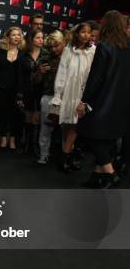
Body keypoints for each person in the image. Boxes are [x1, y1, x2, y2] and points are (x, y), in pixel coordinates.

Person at [77, 10, 130, 188]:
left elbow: (96, 78)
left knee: (88, 134)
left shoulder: (104, 47)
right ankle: (97, 177)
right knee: (106, 141)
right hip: (120, 103)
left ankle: (110, 173)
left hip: (102, 102)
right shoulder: (126, 48)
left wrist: (84, 101)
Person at [50, 22, 95, 172]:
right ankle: (68, 156)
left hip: (82, 93)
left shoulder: (93, 51)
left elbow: (93, 74)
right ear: (77, 34)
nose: (86, 35)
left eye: (89, 32)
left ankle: (65, 156)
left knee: (76, 125)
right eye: (83, 32)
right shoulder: (68, 50)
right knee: (67, 125)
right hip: (68, 92)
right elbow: (62, 73)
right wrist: (58, 95)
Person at [0, 27, 25, 151]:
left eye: (18, 35)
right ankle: (4, 137)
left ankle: (13, 138)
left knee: (15, 115)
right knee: (2, 113)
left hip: (17, 89)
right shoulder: (0, 52)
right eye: (13, 35)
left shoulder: (23, 53)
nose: (16, 37)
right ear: (8, 37)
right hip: (2, 88)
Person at [34, 30, 65, 164]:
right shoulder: (45, 59)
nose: (54, 49)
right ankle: (44, 154)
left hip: (65, 98)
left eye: (56, 45)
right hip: (48, 96)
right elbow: (35, 81)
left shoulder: (70, 58)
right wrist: (40, 72)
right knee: (45, 129)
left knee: (66, 131)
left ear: (63, 42)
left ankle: (66, 157)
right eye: (51, 46)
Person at [17, 28, 48, 156]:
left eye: (42, 38)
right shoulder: (23, 55)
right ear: (31, 39)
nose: (41, 40)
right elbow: (19, 76)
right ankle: (27, 144)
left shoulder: (46, 54)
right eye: (38, 38)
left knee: (37, 119)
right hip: (27, 91)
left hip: (41, 90)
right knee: (28, 118)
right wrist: (19, 94)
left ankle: (35, 146)